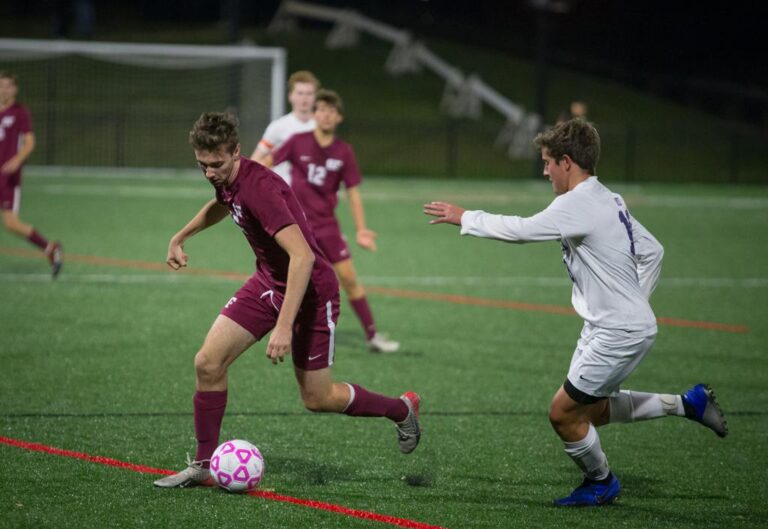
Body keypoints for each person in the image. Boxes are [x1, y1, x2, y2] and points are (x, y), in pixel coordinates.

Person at [423, 118, 727, 507]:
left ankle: (601, 482)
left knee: (563, 414)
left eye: (548, 161)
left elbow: (521, 229)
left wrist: (465, 216)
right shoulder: (606, 197)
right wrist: (635, 302)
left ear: (567, 162)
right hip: (609, 327)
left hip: (617, 330)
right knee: (593, 411)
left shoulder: (578, 203)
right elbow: (654, 251)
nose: (544, 169)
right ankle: (688, 403)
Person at [154, 112, 420, 488]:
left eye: (216, 165)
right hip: (269, 282)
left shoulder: (260, 188)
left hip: (311, 292)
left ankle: (400, 408)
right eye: (202, 165)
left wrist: (283, 326)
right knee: (208, 363)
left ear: (237, 153)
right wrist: (181, 235)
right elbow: (221, 203)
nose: (210, 173)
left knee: (317, 396)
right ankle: (203, 464)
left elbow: (304, 257)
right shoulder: (228, 178)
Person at [263, 89, 400, 353]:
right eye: (321, 110)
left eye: (331, 111)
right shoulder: (296, 141)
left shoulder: (344, 152)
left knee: (348, 278)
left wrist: (361, 229)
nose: (326, 115)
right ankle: (281, 330)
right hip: (296, 226)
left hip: (327, 226)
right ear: (315, 115)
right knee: (287, 279)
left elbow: (353, 193)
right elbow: (266, 163)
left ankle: (372, 336)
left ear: (339, 118)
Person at [0, 71, 63, 278]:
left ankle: (50, 248)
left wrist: (16, 161)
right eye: (1, 85)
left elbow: (29, 142)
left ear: (15, 89)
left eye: (8, 85)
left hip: (7, 177)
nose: (4, 89)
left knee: (11, 223)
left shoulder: (19, 112)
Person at [250, 70, 320, 187]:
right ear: (290, 96)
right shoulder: (278, 127)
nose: (304, 98)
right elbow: (255, 160)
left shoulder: (321, 127)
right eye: (300, 93)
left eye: (309, 93)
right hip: (283, 194)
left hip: (311, 196)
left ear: (315, 97)